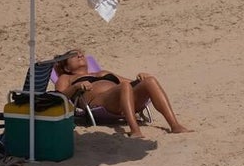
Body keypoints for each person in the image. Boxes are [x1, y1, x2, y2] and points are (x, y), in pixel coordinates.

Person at [50, 49, 190, 138]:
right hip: (101, 103)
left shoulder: (103, 72)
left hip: (124, 97)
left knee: (150, 81)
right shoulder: (66, 78)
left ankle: (175, 125)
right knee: (124, 86)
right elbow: (59, 98)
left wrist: (140, 77)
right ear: (66, 67)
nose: (80, 54)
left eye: (81, 53)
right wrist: (76, 87)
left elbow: (132, 83)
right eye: (74, 55)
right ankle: (135, 130)